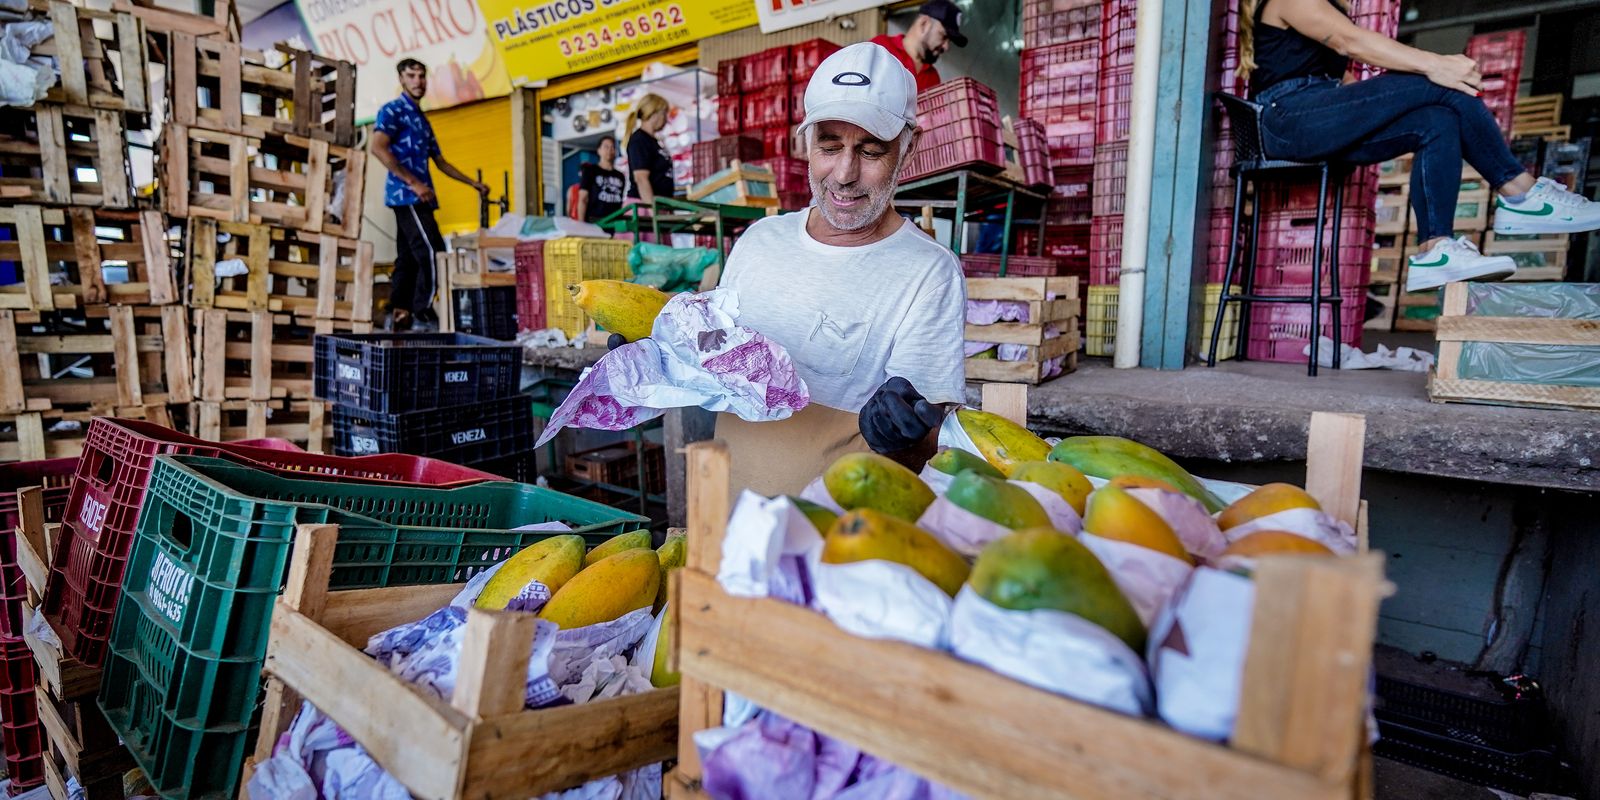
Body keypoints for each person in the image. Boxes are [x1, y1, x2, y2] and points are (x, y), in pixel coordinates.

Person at [715, 42, 967, 497]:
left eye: (871, 152)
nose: (845, 173)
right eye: (829, 146)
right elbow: (708, 371)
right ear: (806, 143)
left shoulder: (929, 274)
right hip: (724, 536)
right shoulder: (757, 242)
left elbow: (928, 451)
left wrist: (906, 438)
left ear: (909, 150)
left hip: (837, 549)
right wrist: (654, 357)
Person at [1239, 0, 1600, 292]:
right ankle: (1521, 193)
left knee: (1436, 120)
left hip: (1317, 116)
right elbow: (1348, 42)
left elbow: (1344, 83)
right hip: (1284, 119)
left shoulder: (1327, 7)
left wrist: (1389, 101)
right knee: (1442, 83)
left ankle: (1435, 251)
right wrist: (1436, 65)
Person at [370, 58, 490, 331]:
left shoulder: (422, 120)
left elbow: (441, 161)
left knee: (408, 258)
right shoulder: (392, 110)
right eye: (411, 75)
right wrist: (413, 183)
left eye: (422, 76)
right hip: (407, 196)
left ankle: (399, 313)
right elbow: (377, 147)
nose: (418, 81)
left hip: (421, 196)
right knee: (433, 252)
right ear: (401, 79)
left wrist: (473, 184)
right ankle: (425, 312)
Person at [869, 0, 967, 93]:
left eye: (949, 41)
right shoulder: (881, 47)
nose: (946, 47)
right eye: (943, 36)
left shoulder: (933, 77)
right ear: (924, 24)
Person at [624, 93, 675, 206]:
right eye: (664, 114)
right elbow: (641, 178)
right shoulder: (640, 140)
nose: (666, 120)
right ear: (654, 113)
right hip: (645, 206)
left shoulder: (654, 141)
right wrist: (653, 211)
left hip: (659, 204)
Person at [577, 134, 626, 224]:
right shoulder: (590, 171)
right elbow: (583, 198)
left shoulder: (620, 176)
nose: (609, 150)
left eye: (612, 147)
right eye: (606, 147)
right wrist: (581, 224)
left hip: (615, 222)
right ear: (599, 150)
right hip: (595, 221)